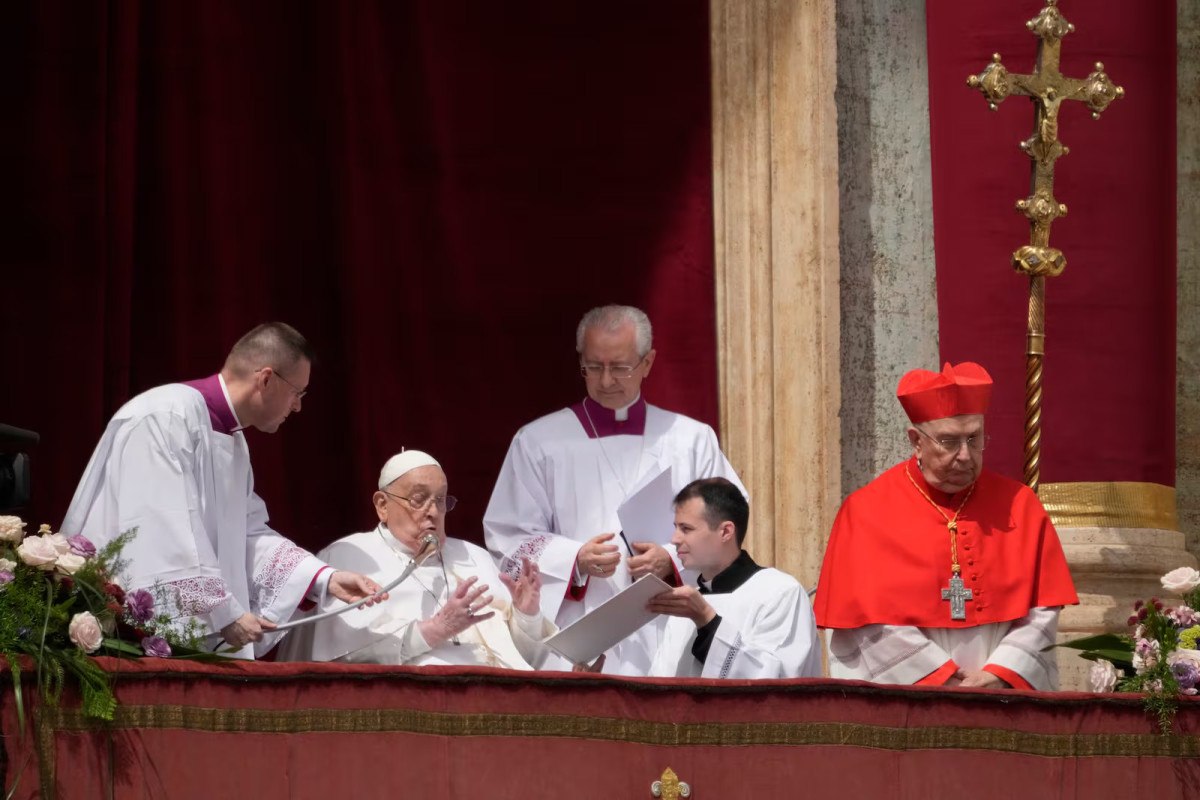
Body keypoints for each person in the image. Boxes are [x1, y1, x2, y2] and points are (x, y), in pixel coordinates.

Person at [61, 322, 383, 657]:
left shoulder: (233, 442)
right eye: (297, 393)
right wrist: (223, 612)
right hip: (131, 639)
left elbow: (246, 534)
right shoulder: (165, 416)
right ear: (266, 379)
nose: (298, 406)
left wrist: (322, 579)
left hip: (198, 642)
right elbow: (163, 530)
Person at [484, 304, 746, 675]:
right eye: (593, 367)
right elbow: (508, 536)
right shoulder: (539, 441)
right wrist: (575, 558)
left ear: (647, 362)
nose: (606, 380)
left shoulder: (690, 439)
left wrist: (672, 557)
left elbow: (728, 522)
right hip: (581, 624)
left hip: (669, 619)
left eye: (620, 367)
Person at [814, 362, 1078, 690]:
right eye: (949, 441)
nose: (965, 455)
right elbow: (864, 620)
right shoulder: (865, 511)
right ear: (916, 441)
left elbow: (1042, 609)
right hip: (910, 698)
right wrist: (939, 678)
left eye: (974, 438)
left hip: (1002, 693)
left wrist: (1002, 673)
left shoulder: (1020, 505)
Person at [279, 450, 556, 669]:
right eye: (418, 499)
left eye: (440, 500)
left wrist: (526, 616)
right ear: (382, 505)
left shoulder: (475, 558)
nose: (433, 511)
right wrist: (434, 630)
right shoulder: (347, 556)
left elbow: (525, 659)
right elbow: (344, 660)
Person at [647, 478, 821, 679]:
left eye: (686, 529)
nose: (674, 539)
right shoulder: (684, 605)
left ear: (725, 532)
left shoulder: (780, 592)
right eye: (676, 527)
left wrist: (707, 621)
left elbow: (775, 681)